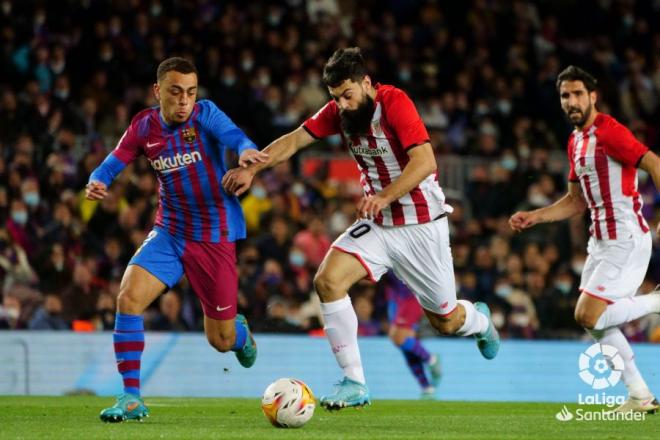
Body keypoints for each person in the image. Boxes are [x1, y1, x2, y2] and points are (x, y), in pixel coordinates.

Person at [223, 47, 500, 410]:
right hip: (378, 225)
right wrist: (252, 168)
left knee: (446, 322)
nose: (342, 105)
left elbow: (425, 160)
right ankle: (355, 381)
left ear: (366, 83)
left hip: (420, 226)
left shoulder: (394, 102)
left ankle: (480, 321)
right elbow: (295, 139)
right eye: (335, 98)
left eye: (347, 95)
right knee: (327, 280)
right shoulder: (339, 113)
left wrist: (384, 196)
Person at [86, 57, 267, 422]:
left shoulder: (206, 114)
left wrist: (247, 151)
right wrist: (98, 178)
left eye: (190, 92)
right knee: (128, 297)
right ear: (158, 91)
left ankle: (240, 336)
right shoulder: (144, 125)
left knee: (219, 340)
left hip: (214, 237)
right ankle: (131, 398)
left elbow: (235, 136)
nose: (184, 101)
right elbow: (114, 159)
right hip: (169, 231)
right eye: (175, 92)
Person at [509, 65, 660, 413]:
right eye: (565, 95)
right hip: (600, 242)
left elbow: (652, 162)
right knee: (594, 324)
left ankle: (655, 303)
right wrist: (536, 216)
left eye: (578, 94)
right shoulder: (575, 141)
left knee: (588, 315)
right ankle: (640, 395)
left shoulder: (610, 132)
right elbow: (576, 200)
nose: (571, 101)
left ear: (593, 97)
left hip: (625, 239)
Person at [384, 272, 442, 399]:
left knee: (400, 338)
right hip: (399, 298)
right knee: (400, 340)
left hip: (410, 295)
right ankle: (426, 387)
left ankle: (430, 359)